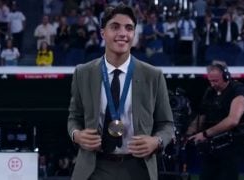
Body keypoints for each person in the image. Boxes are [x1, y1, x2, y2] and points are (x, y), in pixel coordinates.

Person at [67, 3, 174, 180]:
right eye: (115, 27)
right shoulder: (83, 73)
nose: (123, 33)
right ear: (103, 33)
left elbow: (167, 125)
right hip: (95, 167)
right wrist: (76, 135)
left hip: (138, 167)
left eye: (129, 28)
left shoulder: (153, 75)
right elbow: (74, 118)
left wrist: (156, 141)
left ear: (134, 34)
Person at [187, 61, 244, 180]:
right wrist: (189, 134)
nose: (213, 84)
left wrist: (205, 134)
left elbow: (233, 120)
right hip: (211, 147)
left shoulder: (238, 90)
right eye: (210, 81)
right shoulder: (210, 92)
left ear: (226, 76)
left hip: (231, 146)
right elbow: (202, 115)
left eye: (216, 81)